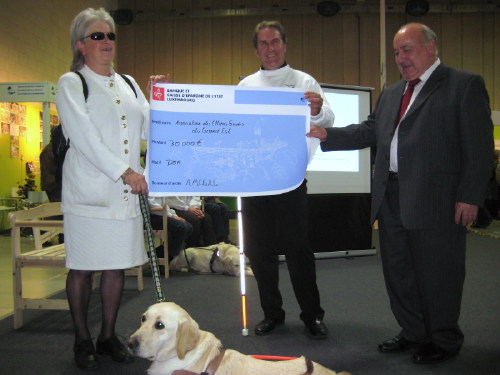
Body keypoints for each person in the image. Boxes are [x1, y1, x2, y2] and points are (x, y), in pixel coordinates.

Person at [308, 23, 494, 363]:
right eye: (396, 52)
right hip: (390, 197)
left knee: (439, 273)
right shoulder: (392, 92)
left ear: (431, 47)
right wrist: (326, 134)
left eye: (407, 49)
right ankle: (413, 332)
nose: (400, 58)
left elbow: (479, 148)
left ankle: (443, 339)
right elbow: (369, 130)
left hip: (438, 200)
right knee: (399, 272)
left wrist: (470, 196)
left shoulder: (464, 85)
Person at [56, 8, 168, 371]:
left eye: (110, 35)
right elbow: (84, 137)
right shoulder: (72, 82)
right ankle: (81, 338)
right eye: (96, 36)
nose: (106, 41)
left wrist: (163, 97)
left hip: (124, 195)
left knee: (116, 268)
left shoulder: (131, 83)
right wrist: (124, 171)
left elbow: (153, 129)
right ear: (81, 45)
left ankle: (106, 335)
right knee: (84, 268)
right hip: (90, 193)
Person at [238, 20, 334, 339]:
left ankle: (312, 315)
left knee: (298, 251)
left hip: (291, 180)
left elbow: (327, 119)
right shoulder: (246, 85)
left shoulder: (304, 81)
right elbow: (236, 130)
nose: (270, 48)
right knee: (260, 253)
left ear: (285, 44)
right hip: (255, 182)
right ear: (256, 49)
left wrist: (318, 110)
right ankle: (272, 314)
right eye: (263, 43)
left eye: (275, 41)